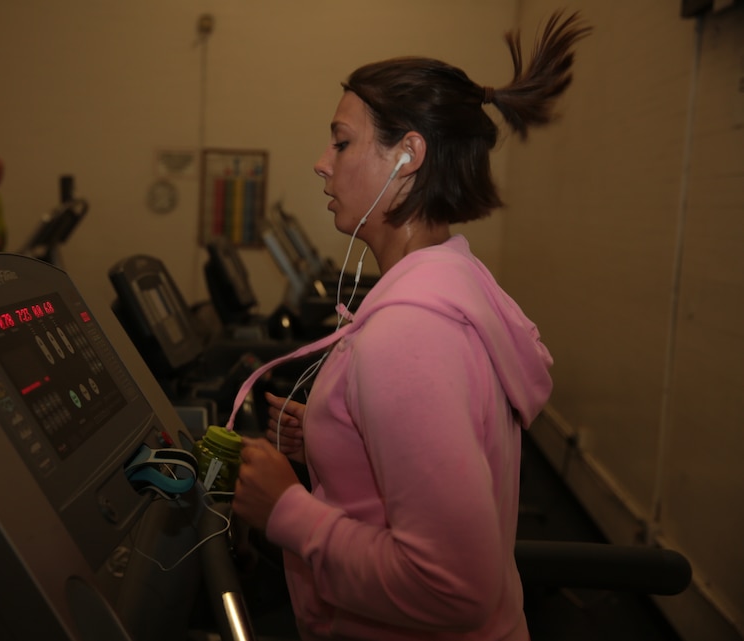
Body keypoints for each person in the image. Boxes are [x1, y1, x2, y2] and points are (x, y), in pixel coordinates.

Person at [231, 11, 591, 641]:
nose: (322, 162)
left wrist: (286, 510)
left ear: (408, 156)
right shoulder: (457, 284)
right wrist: (330, 436)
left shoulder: (407, 339)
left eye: (341, 141)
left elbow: (452, 588)